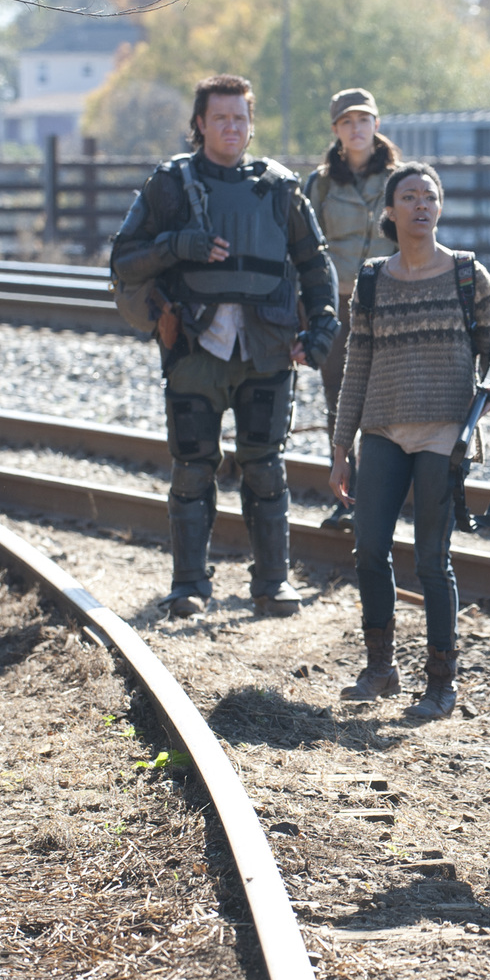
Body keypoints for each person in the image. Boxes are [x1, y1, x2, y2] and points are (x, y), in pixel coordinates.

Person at [111, 74, 339, 619]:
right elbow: (125, 258)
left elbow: (314, 262)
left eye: (240, 118)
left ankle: (272, 584)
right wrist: (176, 244)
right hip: (194, 344)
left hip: (268, 346)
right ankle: (188, 584)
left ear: (251, 124)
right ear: (199, 124)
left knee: (265, 465)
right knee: (192, 467)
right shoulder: (170, 183)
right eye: (220, 118)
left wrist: (325, 322)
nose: (231, 127)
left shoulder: (281, 186)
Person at [328, 163, 490, 720]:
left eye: (430, 196)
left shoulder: (468, 276)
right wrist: (340, 448)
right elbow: (357, 365)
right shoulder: (373, 280)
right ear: (391, 210)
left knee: (433, 560)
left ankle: (440, 682)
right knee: (369, 551)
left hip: (442, 434)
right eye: (410, 196)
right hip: (382, 430)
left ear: (440, 207)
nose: (421, 205)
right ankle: (380, 667)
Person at [304, 87, 399, 524]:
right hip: (338, 302)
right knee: (338, 400)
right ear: (336, 130)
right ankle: (347, 497)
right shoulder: (320, 184)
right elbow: (306, 251)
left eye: (363, 120)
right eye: (347, 122)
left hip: (391, 300)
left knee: (388, 398)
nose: (356, 129)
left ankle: (382, 498)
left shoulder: (401, 179)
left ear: (376, 125)